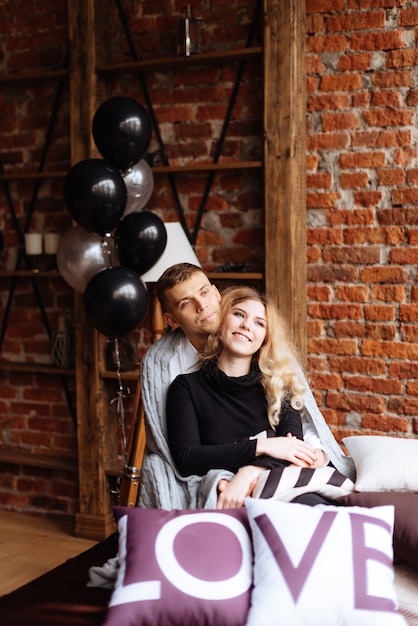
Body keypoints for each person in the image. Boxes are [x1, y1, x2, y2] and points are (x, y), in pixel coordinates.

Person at [138, 263, 355, 510]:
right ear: (171, 320)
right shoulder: (177, 377)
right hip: (232, 485)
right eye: (186, 302)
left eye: (205, 292)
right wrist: (260, 448)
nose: (202, 305)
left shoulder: (276, 377)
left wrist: (251, 472)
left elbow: (296, 439)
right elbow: (180, 453)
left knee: (316, 510)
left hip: (284, 483)